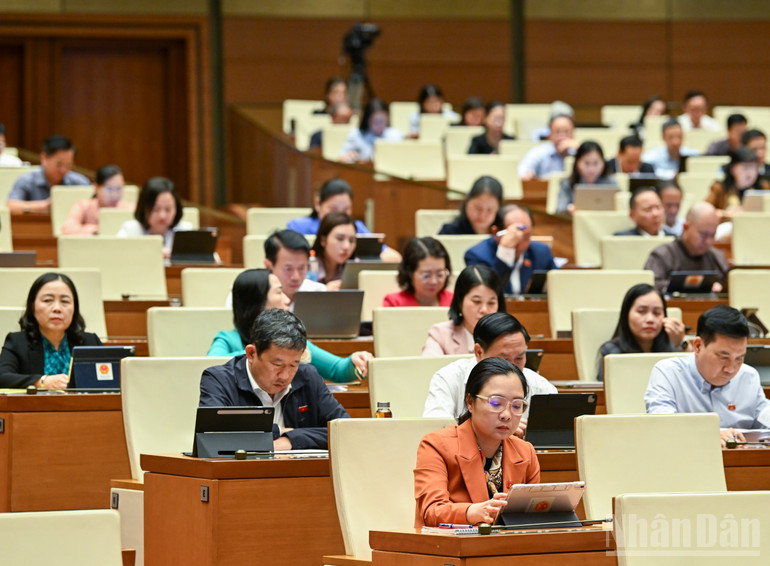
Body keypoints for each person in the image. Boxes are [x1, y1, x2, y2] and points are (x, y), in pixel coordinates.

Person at [414, 357, 540, 528]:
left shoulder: (525, 452)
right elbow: (431, 512)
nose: (506, 414)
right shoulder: (436, 445)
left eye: (517, 405)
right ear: (470, 402)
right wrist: (472, 512)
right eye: (496, 402)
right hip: (449, 548)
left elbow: (530, 517)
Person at [200, 309, 350, 450]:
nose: (285, 376)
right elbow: (213, 436)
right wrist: (278, 430)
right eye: (277, 365)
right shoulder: (219, 380)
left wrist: (290, 439)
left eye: (293, 364)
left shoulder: (307, 377)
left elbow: (346, 430)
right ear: (251, 353)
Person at [208, 269, 371, 382]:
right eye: (279, 292)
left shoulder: (290, 341)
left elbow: (337, 370)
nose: (287, 300)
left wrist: (355, 361)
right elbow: (211, 366)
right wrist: (265, 352)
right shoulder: (228, 339)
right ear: (257, 301)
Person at [645, 305, 770, 447]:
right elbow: (663, 425)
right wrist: (710, 434)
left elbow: (764, 415)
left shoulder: (748, 377)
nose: (731, 369)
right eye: (723, 357)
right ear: (698, 346)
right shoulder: (668, 373)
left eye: (739, 358)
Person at [423, 312, 558, 429]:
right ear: (479, 352)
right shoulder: (448, 379)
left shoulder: (541, 387)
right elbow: (435, 431)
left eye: (519, 358)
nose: (513, 368)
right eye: (504, 360)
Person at [0, 272, 102, 388]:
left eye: (65, 301)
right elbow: (2, 377)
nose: (57, 308)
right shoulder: (17, 342)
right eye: (48, 300)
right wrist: (42, 381)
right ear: (33, 306)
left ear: (74, 308)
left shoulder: (91, 342)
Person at [287, 178, 401, 262]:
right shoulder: (297, 226)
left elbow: (394, 257)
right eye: (333, 209)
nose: (339, 215)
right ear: (318, 204)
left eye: (346, 210)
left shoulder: (355, 227)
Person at [596, 283, 686, 381]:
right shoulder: (611, 352)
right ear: (626, 315)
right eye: (642, 311)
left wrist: (681, 344)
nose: (650, 319)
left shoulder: (670, 348)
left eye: (657, 313)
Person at [464, 204, 557, 295]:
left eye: (526, 237)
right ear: (496, 232)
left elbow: (559, 285)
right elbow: (485, 294)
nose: (520, 244)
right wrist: (505, 252)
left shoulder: (541, 253)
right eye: (514, 237)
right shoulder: (477, 255)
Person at [644, 202, 729, 293]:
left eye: (712, 235)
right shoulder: (661, 255)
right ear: (686, 227)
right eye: (704, 234)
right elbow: (650, 287)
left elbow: (729, 286)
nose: (708, 241)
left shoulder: (717, 257)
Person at [422, 265, 506, 356]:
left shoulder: (509, 337)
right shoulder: (440, 335)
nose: (484, 310)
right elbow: (430, 368)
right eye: (477, 301)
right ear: (460, 301)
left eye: (491, 303)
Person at [7, 135, 90, 213]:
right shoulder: (27, 180)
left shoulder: (80, 182)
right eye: (59, 164)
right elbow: (11, 206)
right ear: (44, 158)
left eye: (68, 165)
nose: (63, 170)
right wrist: (44, 206)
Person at [116, 176, 192, 259]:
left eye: (168, 209)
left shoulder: (186, 231)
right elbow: (115, 257)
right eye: (156, 209)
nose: (162, 216)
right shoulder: (130, 231)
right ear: (143, 208)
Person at [61, 164, 135, 235]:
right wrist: (99, 230)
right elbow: (67, 229)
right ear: (96, 187)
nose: (114, 194)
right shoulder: (83, 206)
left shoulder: (131, 208)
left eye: (118, 188)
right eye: (109, 189)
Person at [263, 229, 326, 309]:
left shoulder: (318, 293)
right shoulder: (259, 299)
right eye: (288, 269)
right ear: (268, 265)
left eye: (301, 268)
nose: (296, 277)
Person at [383, 237, 453, 307]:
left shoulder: (454, 301)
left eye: (439, 274)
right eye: (426, 275)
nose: (434, 281)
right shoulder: (394, 303)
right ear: (410, 273)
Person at [556, 141, 616, 215]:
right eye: (586, 163)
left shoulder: (611, 183)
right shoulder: (567, 183)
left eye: (596, 163)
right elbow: (559, 210)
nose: (591, 169)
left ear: (603, 163)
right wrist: (568, 210)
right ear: (577, 163)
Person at [338, 98, 402, 162]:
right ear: (367, 120)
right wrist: (350, 157)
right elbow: (341, 158)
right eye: (376, 122)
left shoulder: (396, 135)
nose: (380, 125)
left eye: (383, 121)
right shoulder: (356, 135)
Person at [706, 147, 769, 212]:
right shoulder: (720, 189)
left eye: (753, 168)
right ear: (732, 169)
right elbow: (704, 213)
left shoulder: (764, 187)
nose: (750, 173)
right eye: (745, 167)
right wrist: (725, 213)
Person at [517, 114, 578, 180]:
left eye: (566, 132)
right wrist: (528, 174)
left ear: (573, 133)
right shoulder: (539, 152)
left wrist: (579, 149)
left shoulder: (578, 151)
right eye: (558, 132)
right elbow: (523, 170)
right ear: (550, 135)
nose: (562, 136)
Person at [439, 175, 503, 235]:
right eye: (478, 208)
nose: (482, 215)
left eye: (489, 210)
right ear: (467, 202)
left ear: (498, 209)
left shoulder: (502, 233)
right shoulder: (449, 232)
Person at [310, 211, 357, 288]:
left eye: (351, 240)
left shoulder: (357, 269)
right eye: (340, 238)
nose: (346, 246)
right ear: (323, 240)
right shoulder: (307, 266)